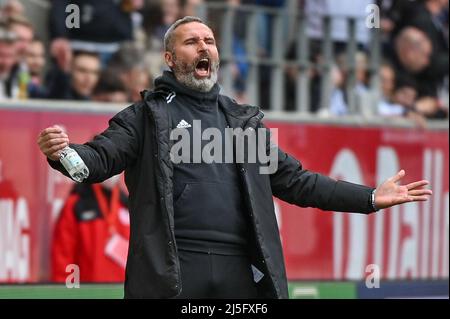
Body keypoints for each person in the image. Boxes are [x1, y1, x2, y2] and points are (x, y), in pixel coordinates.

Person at [37, 16, 432, 299]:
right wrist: (65, 155)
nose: (204, 46)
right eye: (191, 42)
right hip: (173, 272)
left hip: (240, 271)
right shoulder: (146, 117)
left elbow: (297, 181)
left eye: (209, 41)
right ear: (170, 60)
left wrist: (368, 198)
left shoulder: (242, 122)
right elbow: (97, 159)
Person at [51, 176, 130, 282]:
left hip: (122, 291)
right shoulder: (76, 204)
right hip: (88, 292)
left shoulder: (127, 204)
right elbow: (63, 259)